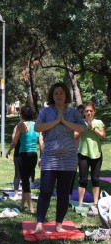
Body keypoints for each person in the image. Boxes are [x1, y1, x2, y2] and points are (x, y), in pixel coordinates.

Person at [33, 83, 85, 234]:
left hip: (68, 160)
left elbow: (82, 129)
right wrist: (56, 121)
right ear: (52, 96)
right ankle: (39, 224)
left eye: (61, 93)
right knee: (45, 191)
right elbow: (37, 127)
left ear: (66, 95)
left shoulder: (74, 112)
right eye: (56, 93)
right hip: (50, 158)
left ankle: (59, 224)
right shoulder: (46, 111)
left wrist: (64, 121)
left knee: (63, 193)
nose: (59, 96)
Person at [6, 106, 40, 213]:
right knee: (26, 179)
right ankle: (22, 204)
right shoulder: (37, 125)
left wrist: (8, 151)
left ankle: (31, 207)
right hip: (34, 155)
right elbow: (42, 143)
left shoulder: (21, 125)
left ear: (22, 114)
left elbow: (15, 142)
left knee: (25, 181)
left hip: (23, 155)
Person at [75, 102, 106, 207]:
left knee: (95, 179)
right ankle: (80, 203)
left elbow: (102, 136)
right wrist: (85, 128)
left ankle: (96, 203)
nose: (89, 113)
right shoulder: (80, 123)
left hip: (96, 154)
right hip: (83, 154)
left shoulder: (99, 122)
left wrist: (92, 128)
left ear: (94, 112)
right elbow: (75, 136)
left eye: (91, 111)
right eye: (86, 111)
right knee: (83, 179)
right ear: (83, 112)